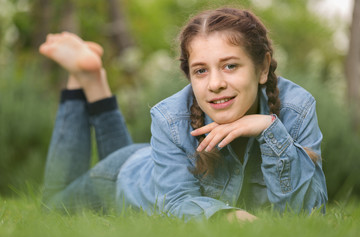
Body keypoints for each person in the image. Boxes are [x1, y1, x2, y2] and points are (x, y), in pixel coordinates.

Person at [40, 7, 327, 222]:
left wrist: (269, 129)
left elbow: (308, 211)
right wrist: (229, 218)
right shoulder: (170, 117)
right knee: (52, 207)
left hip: (153, 161)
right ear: (189, 76)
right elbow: (176, 201)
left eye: (230, 66)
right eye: (201, 70)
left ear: (263, 68)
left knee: (127, 155)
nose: (215, 84)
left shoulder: (297, 110)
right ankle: (82, 80)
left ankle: (92, 79)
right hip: (123, 176)